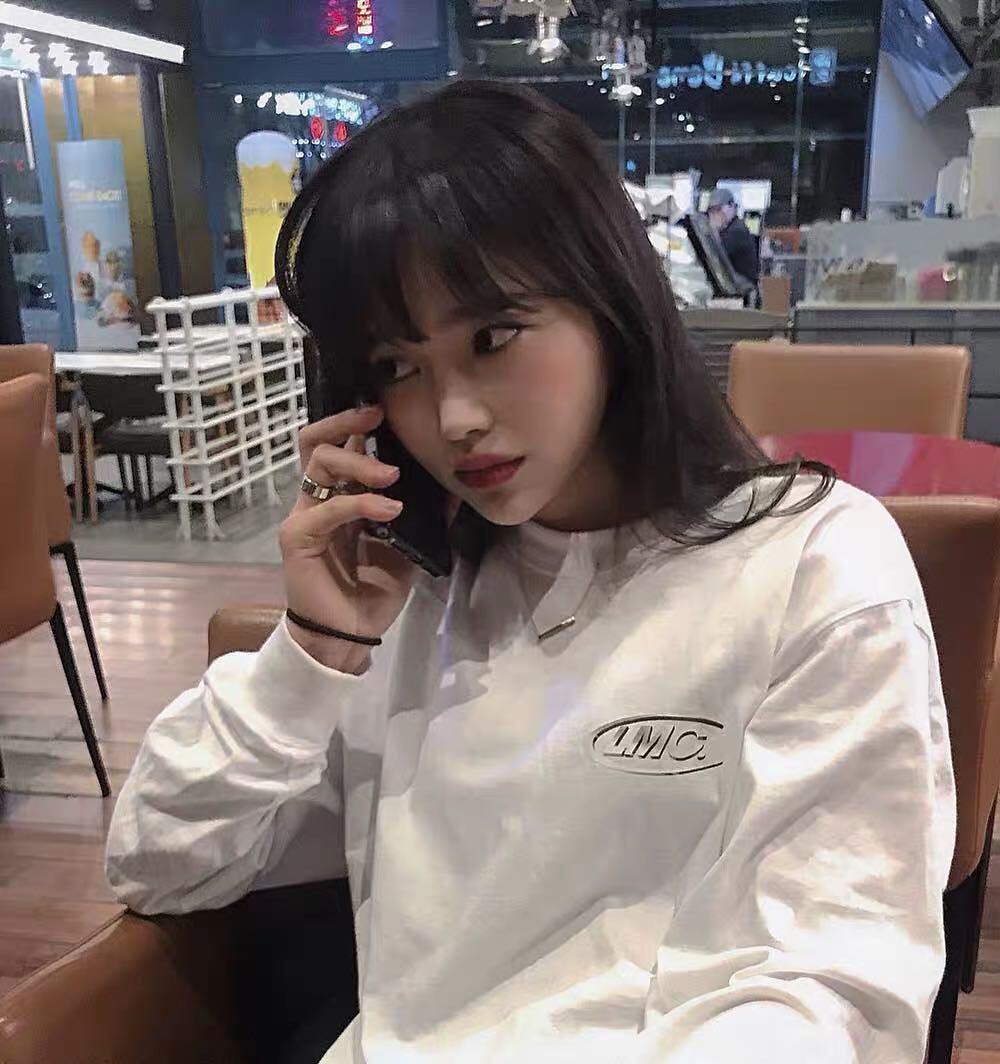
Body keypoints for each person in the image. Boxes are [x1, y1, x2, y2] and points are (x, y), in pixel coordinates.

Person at [106, 81, 955, 1064]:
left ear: (610, 300)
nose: (453, 416)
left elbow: (827, 984)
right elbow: (157, 861)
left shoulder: (811, 563)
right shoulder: (405, 602)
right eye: (398, 365)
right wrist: (315, 649)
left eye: (493, 337)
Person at [706, 186, 760, 287]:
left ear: (732, 206)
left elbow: (715, 255)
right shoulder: (729, 228)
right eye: (711, 211)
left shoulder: (737, 230)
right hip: (736, 282)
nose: (715, 214)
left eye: (718, 209)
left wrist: (713, 229)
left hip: (743, 286)